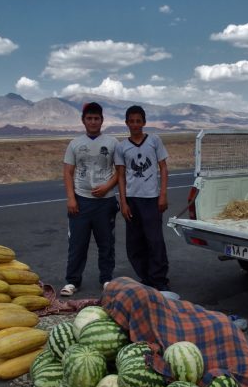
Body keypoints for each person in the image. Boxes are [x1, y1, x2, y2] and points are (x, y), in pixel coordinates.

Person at [60, 102, 118, 296]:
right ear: (83, 121)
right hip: (81, 201)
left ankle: (107, 279)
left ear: (102, 120)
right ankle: (72, 281)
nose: (93, 122)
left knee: (106, 243)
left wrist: (108, 187)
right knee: (77, 243)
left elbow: (120, 171)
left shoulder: (112, 143)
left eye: (96, 118)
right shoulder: (75, 144)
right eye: (89, 118)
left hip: (106, 201)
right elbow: (68, 172)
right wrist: (71, 198)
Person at [114, 105, 170, 291]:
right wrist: (123, 202)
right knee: (135, 243)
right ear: (127, 123)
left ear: (144, 123)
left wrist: (162, 194)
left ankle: (159, 280)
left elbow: (163, 168)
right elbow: (121, 176)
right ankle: (146, 277)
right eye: (132, 121)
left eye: (139, 121)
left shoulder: (154, 140)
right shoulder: (122, 147)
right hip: (132, 200)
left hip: (151, 198)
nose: (135, 124)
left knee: (154, 240)